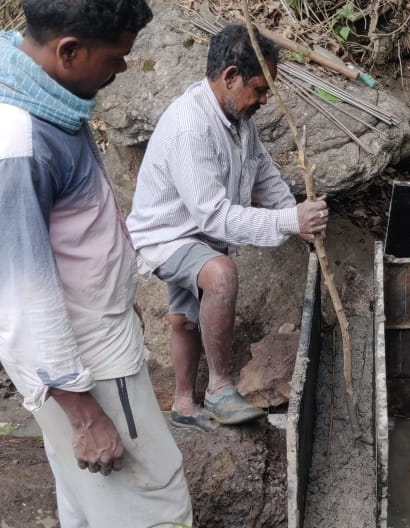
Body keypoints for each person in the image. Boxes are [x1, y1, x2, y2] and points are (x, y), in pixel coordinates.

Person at [0, 1, 194, 526]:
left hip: (89, 338)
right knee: (153, 499)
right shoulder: (11, 142)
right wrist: (84, 414)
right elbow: (22, 294)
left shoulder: (24, 81)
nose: (121, 69)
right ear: (69, 51)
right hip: (85, 360)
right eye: (115, 57)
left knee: (87, 498)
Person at [125, 24, 328, 431]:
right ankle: (219, 389)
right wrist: (289, 221)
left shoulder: (237, 118)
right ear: (230, 76)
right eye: (259, 87)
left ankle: (184, 404)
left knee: (185, 318)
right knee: (220, 275)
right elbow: (213, 216)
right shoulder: (191, 126)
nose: (265, 99)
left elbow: (264, 172)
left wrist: (295, 214)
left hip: (195, 232)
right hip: (168, 234)